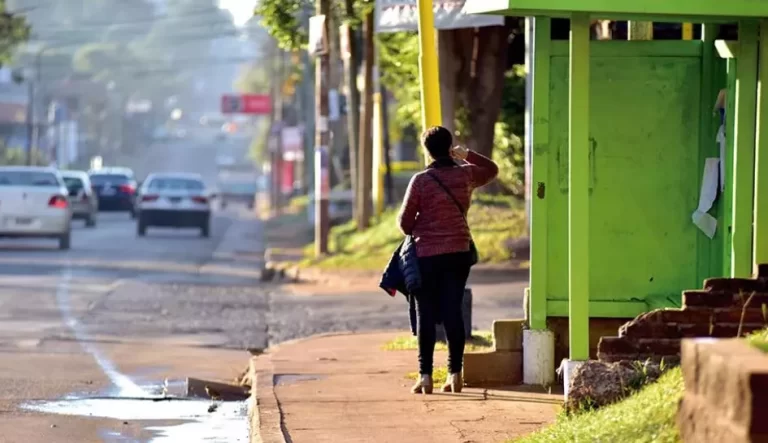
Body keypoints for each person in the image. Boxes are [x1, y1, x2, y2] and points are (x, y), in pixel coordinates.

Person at [397, 126, 499, 394]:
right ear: (450, 146)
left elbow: (405, 224)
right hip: (458, 252)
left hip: (427, 255)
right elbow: (492, 170)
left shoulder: (420, 181)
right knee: (453, 311)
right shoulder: (466, 173)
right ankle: (455, 375)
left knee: (425, 314)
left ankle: (426, 377)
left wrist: (424, 224)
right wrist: (468, 155)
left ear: (426, 150)